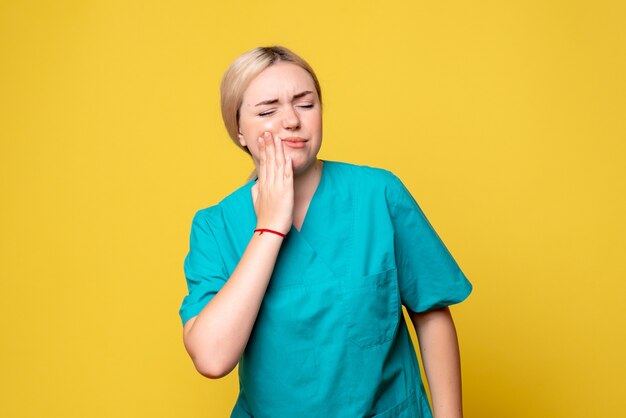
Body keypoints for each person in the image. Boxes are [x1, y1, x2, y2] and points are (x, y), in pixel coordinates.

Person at [179, 45, 473, 418]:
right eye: (268, 110)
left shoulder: (378, 194)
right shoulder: (215, 227)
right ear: (238, 129)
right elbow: (212, 357)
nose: (291, 121)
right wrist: (269, 227)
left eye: (306, 104)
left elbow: (431, 313)